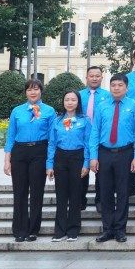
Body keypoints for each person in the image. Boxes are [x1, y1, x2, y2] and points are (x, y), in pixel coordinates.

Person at [89, 74, 135, 243]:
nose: (116, 88)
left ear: (126, 88)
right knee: (105, 192)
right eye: (113, 85)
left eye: (120, 85)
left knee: (122, 193)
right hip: (104, 153)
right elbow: (95, 132)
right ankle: (107, 229)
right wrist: (93, 156)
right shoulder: (102, 106)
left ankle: (120, 229)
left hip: (125, 153)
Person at [4, 79, 56, 242]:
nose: (33, 92)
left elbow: (53, 139)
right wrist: (7, 160)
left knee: (36, 191)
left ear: (41, 91)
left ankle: (33, 229)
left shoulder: (49, 111)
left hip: (39, 151)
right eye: (29, 90)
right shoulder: (17, 111)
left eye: (36, 89)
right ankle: (19, 229)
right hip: (20, 151)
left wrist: (50, 162)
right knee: (19, 192)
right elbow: (11, 136)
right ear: (25, 92)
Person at [46, 90, 90, 242]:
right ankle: (59, 230)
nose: (70, 103)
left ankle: (73, 229)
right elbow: (51, 144)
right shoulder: (57, 121)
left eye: (73, 100)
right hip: (60, 158)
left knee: (76, 195)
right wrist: (49, 165)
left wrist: (86, 163)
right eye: (67, 100)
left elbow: (87, 144)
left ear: (78, 102)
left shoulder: (85, 121)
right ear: (63, 102)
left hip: (77, 158)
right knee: (61, 195)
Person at [79, 66, 110, 212]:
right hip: (82, 137)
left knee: (101, 171)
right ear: (86, 77)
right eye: (91, 76)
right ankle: (81, 199)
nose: (94, 78)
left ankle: (100, 200)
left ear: (101, 78)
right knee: (82, 169)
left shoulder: (108, 96)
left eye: (97, 76)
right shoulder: (78, 95)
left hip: (101, 138)